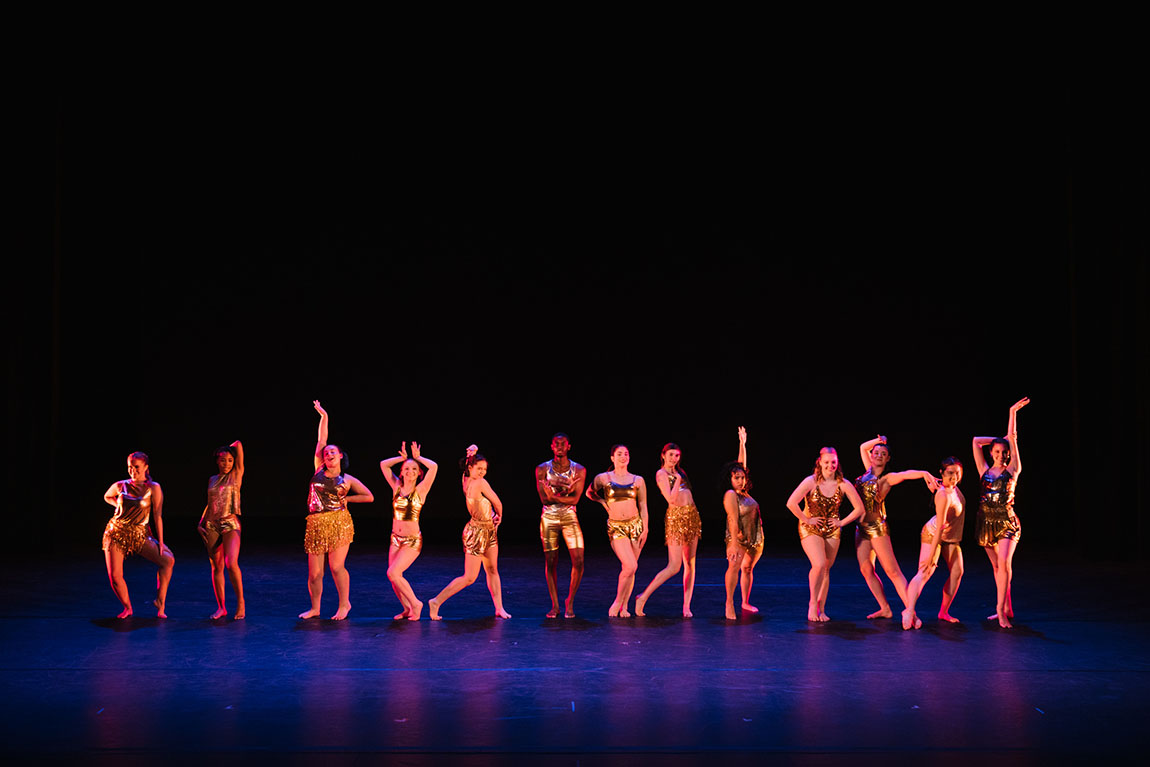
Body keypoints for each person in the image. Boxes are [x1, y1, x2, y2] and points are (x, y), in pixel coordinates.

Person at [299, 401, 374, 621]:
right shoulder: (318, 468)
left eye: (333, 451)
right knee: (315, 574)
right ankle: (315, 608)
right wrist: (324, 416)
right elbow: (321, 439)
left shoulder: (348, 480)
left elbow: (369, 496)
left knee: (336, 566)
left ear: (340, 456)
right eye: (326, 452)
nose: (328, 453)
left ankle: (344, 604)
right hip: (315, 523)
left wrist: (348, 498)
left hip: (339, 521)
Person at [854, 436, 939, 619]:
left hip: (877, 528)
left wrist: (924, 473)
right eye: (876, 453)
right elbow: (863, 447)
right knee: (866, 569)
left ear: (888, 459)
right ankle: (885, 608)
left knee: (892, 571)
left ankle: (911, 612)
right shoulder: (866, 473)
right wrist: (880, 440)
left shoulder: (886, 478)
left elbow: (905, 474)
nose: (878, 455)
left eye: (883, 454)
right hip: (861, 529)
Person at [428, 445, 511, 620]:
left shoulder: (465, 480)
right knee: (470, 577)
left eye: (484, 469)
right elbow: (498, 502)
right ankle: (436, 601)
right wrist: (500, 516)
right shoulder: (480, 483)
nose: (482, 472)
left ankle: (499, 608)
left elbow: (467, 473)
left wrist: (470, 456)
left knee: (492, 570)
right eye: (478, 468)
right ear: (471, 468)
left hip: (488, 530)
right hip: (476, 532)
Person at [785, 446, 866, 621]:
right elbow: (791, 503)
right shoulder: (811, 481)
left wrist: (841, 522)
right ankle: (812, 603)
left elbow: (859, 508)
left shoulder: (843, 484)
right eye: (827, 462)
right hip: (810, 527)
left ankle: (821, 609)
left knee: (826, 569)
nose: (830, 465)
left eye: (833, 462)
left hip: (832, 530)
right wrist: (806, 519)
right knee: (819, 564)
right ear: (820, 462)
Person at [973, 397, 1030, 628]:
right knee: (997, 568)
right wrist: (999, 439)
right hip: (986, 522)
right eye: (996, 451)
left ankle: (1000, 610)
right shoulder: (983, 470)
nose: (1000, 454)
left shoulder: (1014, 469)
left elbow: (1013, 439)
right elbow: (976, 441)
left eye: (1003, 451)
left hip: (1007, 521)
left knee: (1005, 565)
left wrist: (1012, 414)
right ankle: (1006, 606)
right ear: (992, 452)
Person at [101, 451, 175, 618]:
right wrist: (117, 506)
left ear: (146, 468)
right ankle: (127, 607)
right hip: (116, 533)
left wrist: (161, 542)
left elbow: (157, 516)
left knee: (168, 560)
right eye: (130, 467)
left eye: (136, 467)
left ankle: (160, 602)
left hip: (138, 534)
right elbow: (107, 496)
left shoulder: (153, 488)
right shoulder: (120, 485)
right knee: (115, 576)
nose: (132, 471)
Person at [634, 442, 702, 618]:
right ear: (663, 455)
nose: (674, 459)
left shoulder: (681, 473)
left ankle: (686, 605)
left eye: (677, 455)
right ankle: (643, 597)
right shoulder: (661, 474)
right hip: (676, 519)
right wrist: (678, 479)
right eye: (671, 455)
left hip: (692, 517)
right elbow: (671, 499)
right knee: (674, 566)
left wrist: (680, 476)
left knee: (690, 564)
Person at [901, 457, 966, 630]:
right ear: (942, 473)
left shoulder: (952, 488)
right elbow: (939, 529)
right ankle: (909, 611)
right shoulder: (943, 496)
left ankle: (943, 612)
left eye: (957, 473)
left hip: (950, 537)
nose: (954, 477)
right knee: (925, 571)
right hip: (934, 534)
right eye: (950, 473)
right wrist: (931, 557)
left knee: (958, 571)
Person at [586, 444, 649, 617]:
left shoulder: (638, 480)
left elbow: (643, 505)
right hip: (616, 526)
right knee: (630, 565)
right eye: (619, 454)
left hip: (635, 525)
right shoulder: (604, 478)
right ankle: (617, 602)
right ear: (612, 458)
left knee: (630, 569)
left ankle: (625, 606)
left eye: (626, 454)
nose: (623, 457)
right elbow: (589, 492)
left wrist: (646, 528)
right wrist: (602, 502)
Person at [380, 440, 439, 620]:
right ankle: (407, 609)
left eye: (414, 469)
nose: (410, 471)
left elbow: (434, 467)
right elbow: (384, 464)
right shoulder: (396, 487)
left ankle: (416, 604)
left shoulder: (421, 490)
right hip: (395, 539)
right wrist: (402, 458)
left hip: (412, 541)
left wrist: (418, 458)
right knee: (393, 578)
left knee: (393, 573)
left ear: (419, 473)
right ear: (402, 472)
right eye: (407, 468)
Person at [535, 434, 587, 618]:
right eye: (556, 443)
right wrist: (566, 490)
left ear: (568, 446)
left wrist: (556, 494)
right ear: (551, 446)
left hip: (569, 515)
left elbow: (575, 499)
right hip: (548, 517)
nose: (559, 446)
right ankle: (555, 605)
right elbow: (543, 499)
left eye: (562, 444)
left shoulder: (579, 469)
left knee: (579, 560)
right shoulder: (542, 469)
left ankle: (569, 602)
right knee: (551, 561)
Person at [197, 440, 246, 620]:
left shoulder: (236, 475)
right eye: (223, 460)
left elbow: (238, 444)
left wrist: (227, 448)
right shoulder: (212, 479)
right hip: (211, 524)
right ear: (217, 461)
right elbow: (210, 504)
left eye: (230, 460)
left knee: (230, 563)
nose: (226, 464)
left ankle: (241, 602)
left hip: (230, 523)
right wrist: (201, 522)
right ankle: (222, 607)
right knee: (216, 567)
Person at [722, 427, 763, 620]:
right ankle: (729, 603)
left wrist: (742, 444)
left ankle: (745, 601)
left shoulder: (744, 494)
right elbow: (733, 518)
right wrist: (733, 543)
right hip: (738, 537)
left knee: (747, 568)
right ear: (729, 479)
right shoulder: (731, 495)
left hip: (754, 537)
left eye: (742, 477)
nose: (740, 480)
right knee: (734, 567)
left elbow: (741, 464)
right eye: (736, 478)